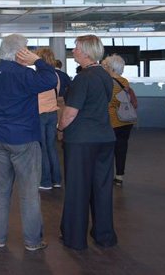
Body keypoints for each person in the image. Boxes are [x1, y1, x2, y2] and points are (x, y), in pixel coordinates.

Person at [0, 35, 56, 251]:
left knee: (1, 189)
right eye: (26, 49)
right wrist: (38, 61)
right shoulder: (24, 74)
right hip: (23, 139)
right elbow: (51, 80)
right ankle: (33, 241)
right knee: (28, 193)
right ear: (20, 53)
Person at [58, 35, 118, 250]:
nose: (73, 51)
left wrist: (59, 128)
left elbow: (70, 114)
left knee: (77, 188)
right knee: (101, 188)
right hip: (105, 137)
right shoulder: (105, 76)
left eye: (75, 48)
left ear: (84, 51)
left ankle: (74, 237)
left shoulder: (83, 79)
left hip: (81, 140)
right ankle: (104, 235)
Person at [102, 54, 137, 187]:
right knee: (122, 148)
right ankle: (119, 176)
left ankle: (107, 175)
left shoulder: (108, 82)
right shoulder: (124, 81)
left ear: (110, 67)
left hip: (112, 120)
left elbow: (108, 102)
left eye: (105, 66)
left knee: (108, 150)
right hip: (126, 120)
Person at [35, 48, 62, 191]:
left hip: (39, 114)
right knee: (51, 147)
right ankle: (56, 179)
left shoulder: (38, 75)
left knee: (42, 148)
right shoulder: (55, 75)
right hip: (53, 113)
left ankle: (45, 181)